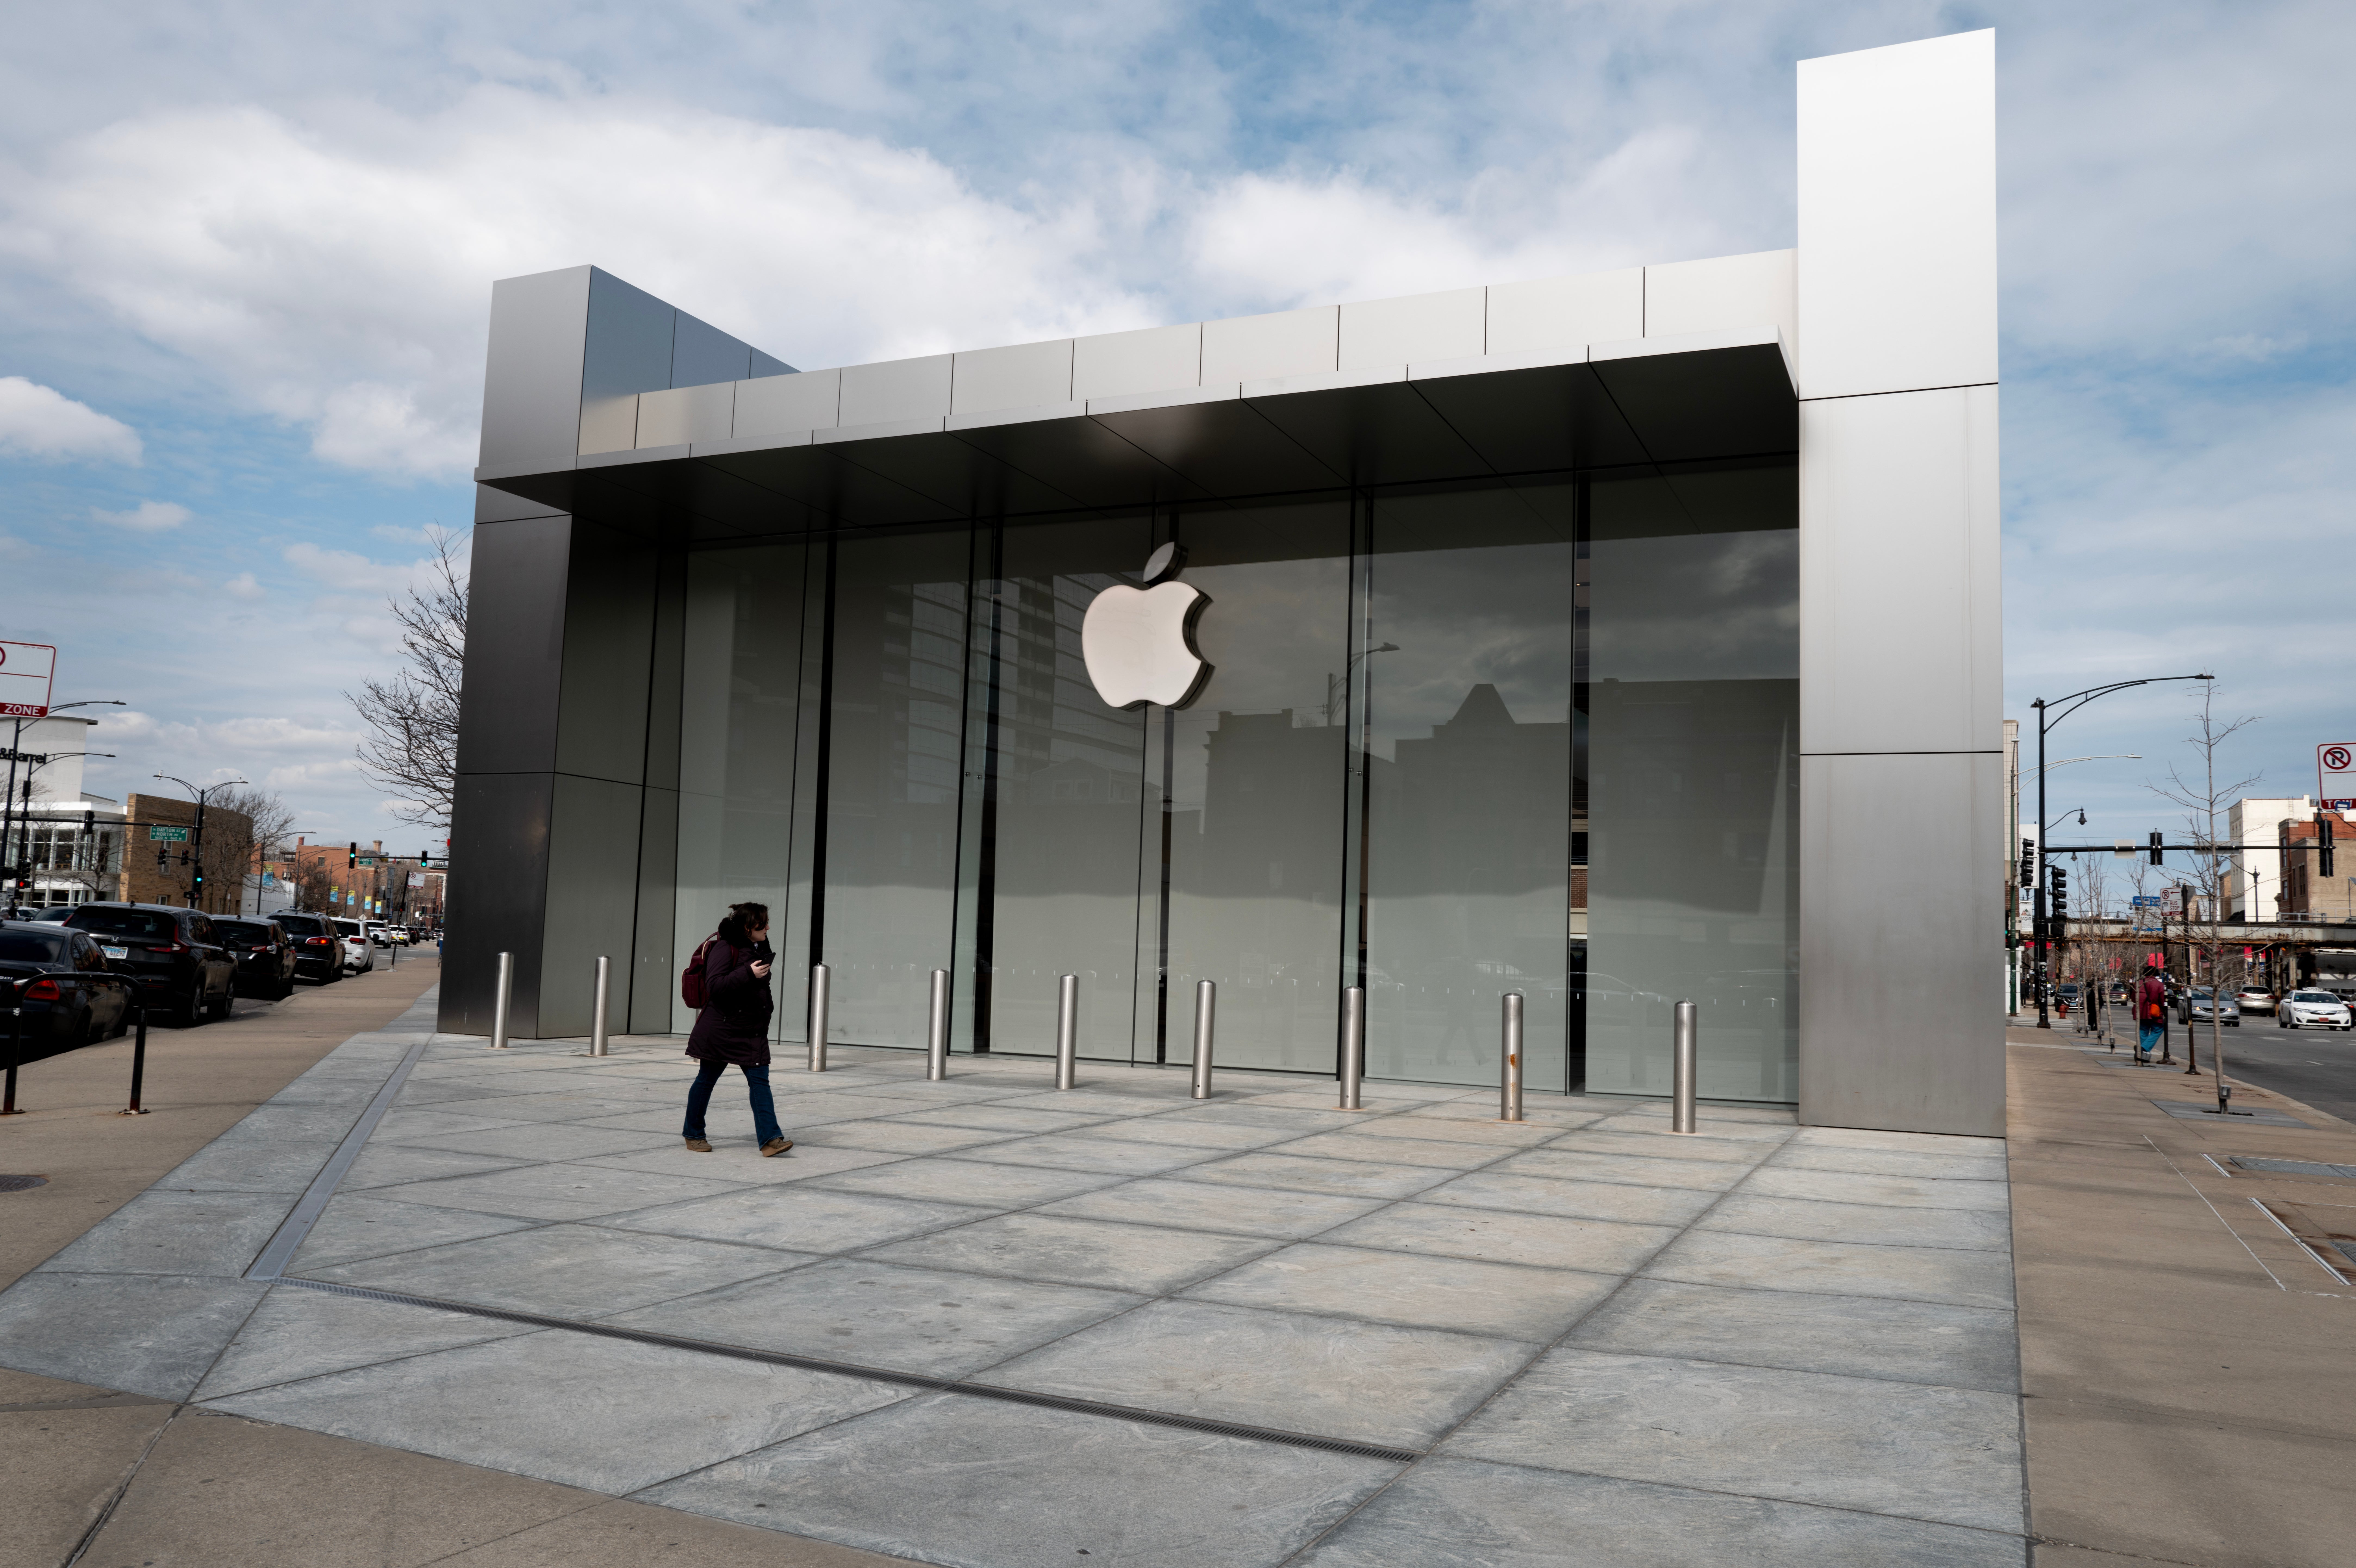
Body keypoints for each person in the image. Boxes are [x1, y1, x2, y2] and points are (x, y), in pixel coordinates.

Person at [681, 901, 791, 1156]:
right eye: (762, 924)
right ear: (746, 927)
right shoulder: (725, 947)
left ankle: (770, 1140)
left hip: (751, 1030)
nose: (767, 927)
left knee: (760, 1082)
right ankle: (693, 1134)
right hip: (720, 1030)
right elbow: (715, 986)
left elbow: (760, 987)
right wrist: (748, 973)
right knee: (706, 1081)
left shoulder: (760, 947)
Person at [2136, 964, 2167, 1064]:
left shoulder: (2138, 984)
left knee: (2143, 1031)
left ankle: (2143, 1055)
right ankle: (2144, 1049)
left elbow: (2133, 998)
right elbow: (2162, 1001)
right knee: (2158, 1030)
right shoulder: (2159, 985)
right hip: (2155, 1013)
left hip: (2141, 1012)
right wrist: (2163, 1011)